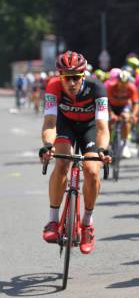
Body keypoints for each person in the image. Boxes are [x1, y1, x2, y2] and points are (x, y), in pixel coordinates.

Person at [40, 51, 112, 254]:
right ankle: (53, 221)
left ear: (83, 75)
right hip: (65, 126)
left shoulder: (97, 87)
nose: (71, 82)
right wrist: (47, 144)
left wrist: (102, 150)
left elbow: (102, 127)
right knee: (62, 163)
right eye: (66, 77)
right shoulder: (53, 87)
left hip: (90, 129)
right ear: (60, 76)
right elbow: (50, 122)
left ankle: (87, 224)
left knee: (91, 170)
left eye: (75, 77)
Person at [105, 70, 139, 159]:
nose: (123, 86)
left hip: (124, 106)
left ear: (128, 82)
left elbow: (136, 103)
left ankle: (124, 143)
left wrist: (133, 115)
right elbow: (106, 102)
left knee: (127, 120)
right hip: (111, 106)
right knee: (109, 123)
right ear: (117, 81)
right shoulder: (111, 87)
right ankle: (108, 144)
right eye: (121, 83)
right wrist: (111, 113)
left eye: (125, 83)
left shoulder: (132, 88)